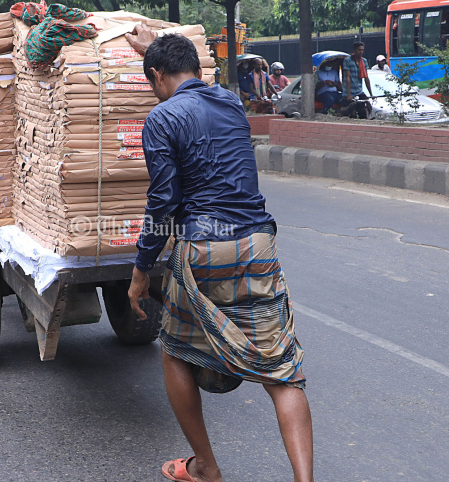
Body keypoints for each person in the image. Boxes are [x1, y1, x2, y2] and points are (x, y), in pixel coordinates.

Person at [125, 27, 313, 482]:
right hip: (258, 244)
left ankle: (206, 468)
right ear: (195, 67)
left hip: (204, 249)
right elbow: (194, 85)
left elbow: (163, 201)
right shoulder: (231, 102)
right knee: (282, 374)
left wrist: (141, 268)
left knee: (174, 352)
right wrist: (158, 47)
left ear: (156, 75)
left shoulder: (162, 118)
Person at [341, 41, 374, 117]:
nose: (361, 52)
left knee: (365, 109)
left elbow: (366, 78)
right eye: (359, 50)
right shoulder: (347, 61)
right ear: (354, 50)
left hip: (358, 91)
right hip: (348, 92)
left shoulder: (364, 61)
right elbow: (348, 78)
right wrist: (349, 95)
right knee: (347, 113)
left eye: (362, 50)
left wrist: (371, 94)